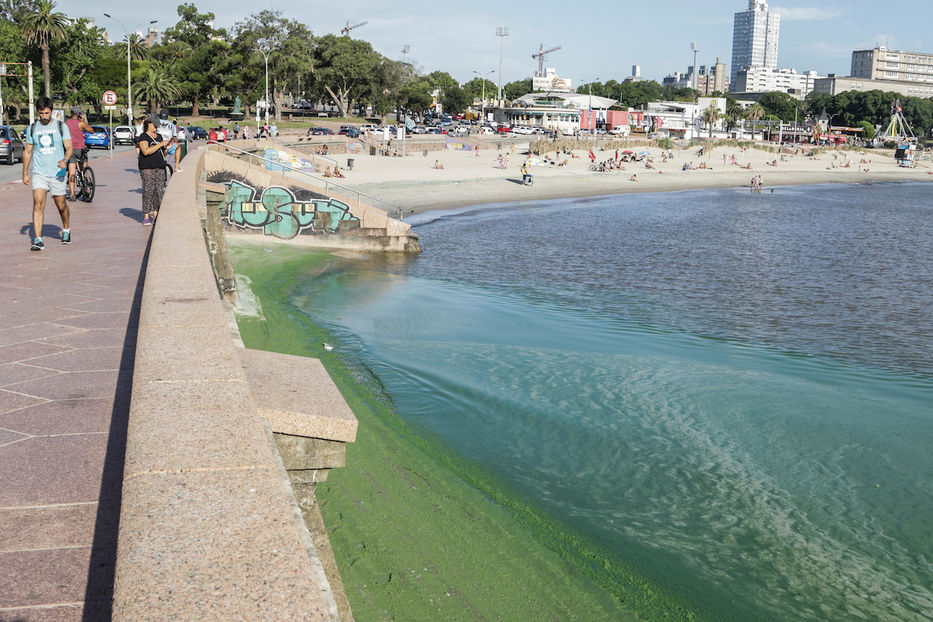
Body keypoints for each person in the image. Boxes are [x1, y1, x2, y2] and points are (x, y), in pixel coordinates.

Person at [23, 96, 73, 250]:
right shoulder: (33, 128)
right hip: (39, 173)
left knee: (61, 205)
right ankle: (38, 239)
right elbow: (28, 151)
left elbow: (69, 147)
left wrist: (65, 159)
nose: (43, 117)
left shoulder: (61, 126)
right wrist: (25, 172)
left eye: (46, 113)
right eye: (41, 113)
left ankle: (66, 229)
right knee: (38, 204)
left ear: (51, 111)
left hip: (58, 172)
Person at [138, 119, 173, 226]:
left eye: (157, 126)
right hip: (147, 167)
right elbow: (146, 151)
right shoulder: (143, 137)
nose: (156, 127)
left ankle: (156, 215)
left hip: (160, 166)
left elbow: (162, 153)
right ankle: (146, 216)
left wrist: (167, 148)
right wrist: (160, 144)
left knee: (159, 191)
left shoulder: (159, 137)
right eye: (155, 125)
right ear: (148, 124)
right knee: (148, 190)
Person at [65, 106, 92, 201]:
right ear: (79, 114)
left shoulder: (66, 123)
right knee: (83, 170)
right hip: (81, 149)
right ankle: (86, 191)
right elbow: (91, 131)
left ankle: (72, 195)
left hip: (71, 149)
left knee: (72, 172)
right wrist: (84, 121)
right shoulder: (81, 123)